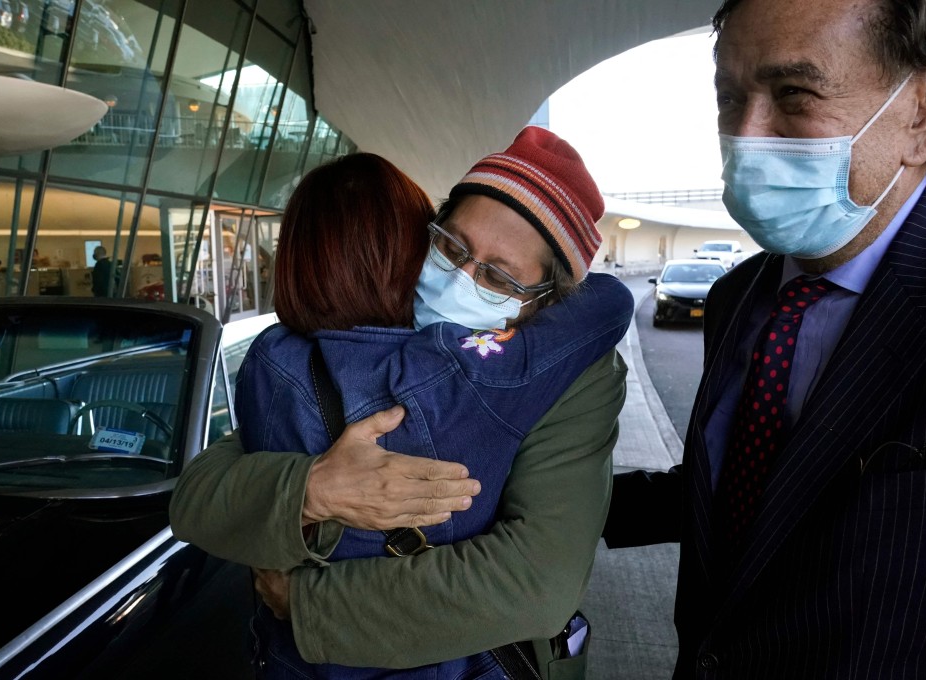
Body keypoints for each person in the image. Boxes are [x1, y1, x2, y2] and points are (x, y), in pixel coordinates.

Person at [602, 0, 926, 677]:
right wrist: (537, 496)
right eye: (731, 99)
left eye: (795, 93)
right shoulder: (739, 298)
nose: (748, 135)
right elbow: (758, 493)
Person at [170, 126, 632, 677]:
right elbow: (200, 495)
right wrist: (314, 487)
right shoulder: (376, 325)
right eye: (450, 246)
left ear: (547, 305)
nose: (459, 279)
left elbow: (534, 582)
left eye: (497, 276)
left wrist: (306, 603)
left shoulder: (576, 377)